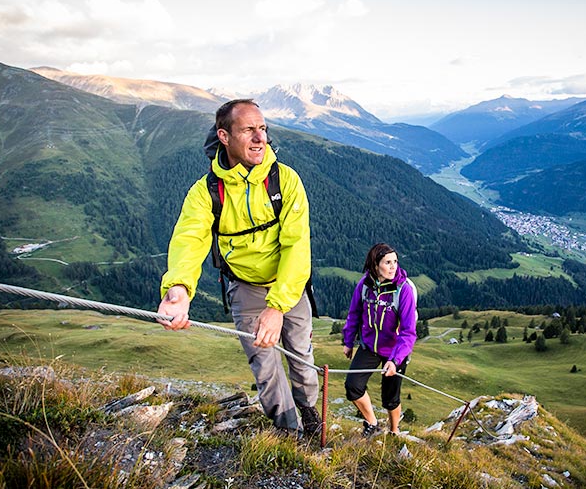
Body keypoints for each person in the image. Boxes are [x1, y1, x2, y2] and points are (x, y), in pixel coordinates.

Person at [156, 99, 320, 437]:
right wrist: (178, 289)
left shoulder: (285, 181)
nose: (261, 138)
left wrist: (277, 306)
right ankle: (288, 430)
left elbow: (296, 248)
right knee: (265, 362)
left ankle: (308, 410)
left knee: (301, 358)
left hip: (287, 284)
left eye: (263, 129)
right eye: (249, 130)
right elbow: (189, 239)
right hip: (244, 286)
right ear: (224, 136)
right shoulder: (206, 192)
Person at [342, 243, 418, 437]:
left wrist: (395, 360)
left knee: (390, 398)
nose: (394, 267)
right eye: (388, 262)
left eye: (395, 262)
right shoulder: (364, 285)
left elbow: (409, 332)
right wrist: (348, 341)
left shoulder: (404, 290)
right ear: (375, 265)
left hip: (395, 351)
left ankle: (394, 431)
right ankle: (373, 423)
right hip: (369, 346)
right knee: (353, 386)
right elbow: (354, 314)